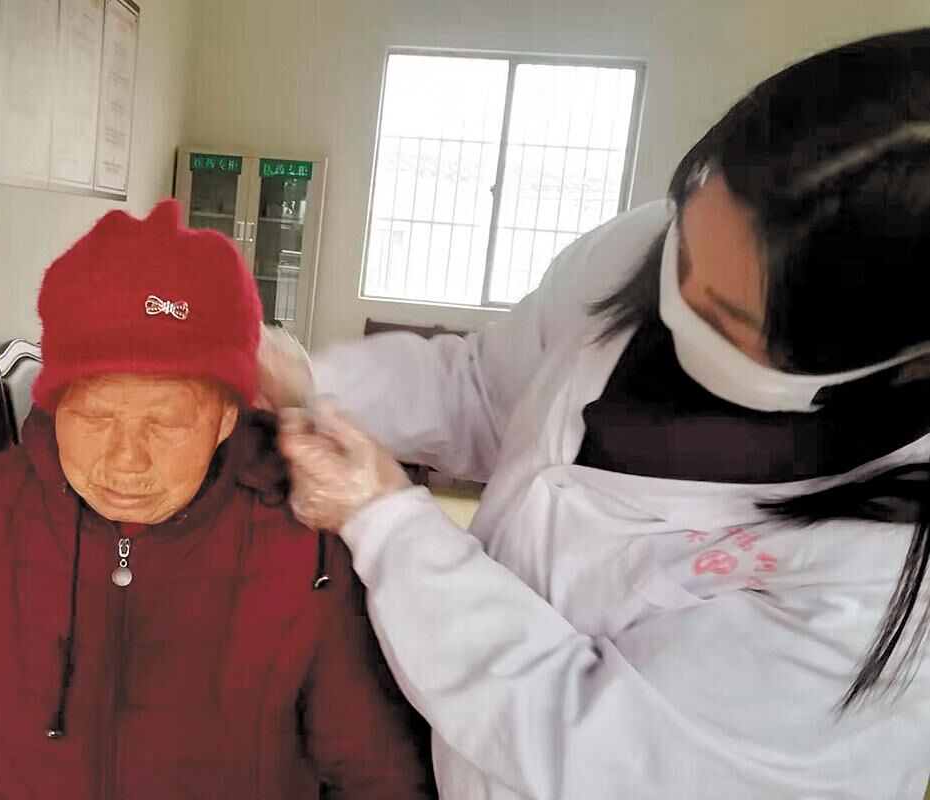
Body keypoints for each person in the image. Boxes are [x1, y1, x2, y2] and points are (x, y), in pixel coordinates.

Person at [263, 29, 930, 800]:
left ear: (892, 359)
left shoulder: (876, 592)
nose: (673, 298)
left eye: (723, 314)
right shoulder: (639, 247)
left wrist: (388, 526)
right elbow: (482, 388)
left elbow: (582, 741)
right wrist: (307, 380)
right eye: (683, 247)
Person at [0, 200, 434, 799]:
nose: (125, 461)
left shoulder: (305, 543)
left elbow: (378, 776)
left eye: (166, 424)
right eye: (94, 417)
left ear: (226, 417)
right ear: (54, 402)